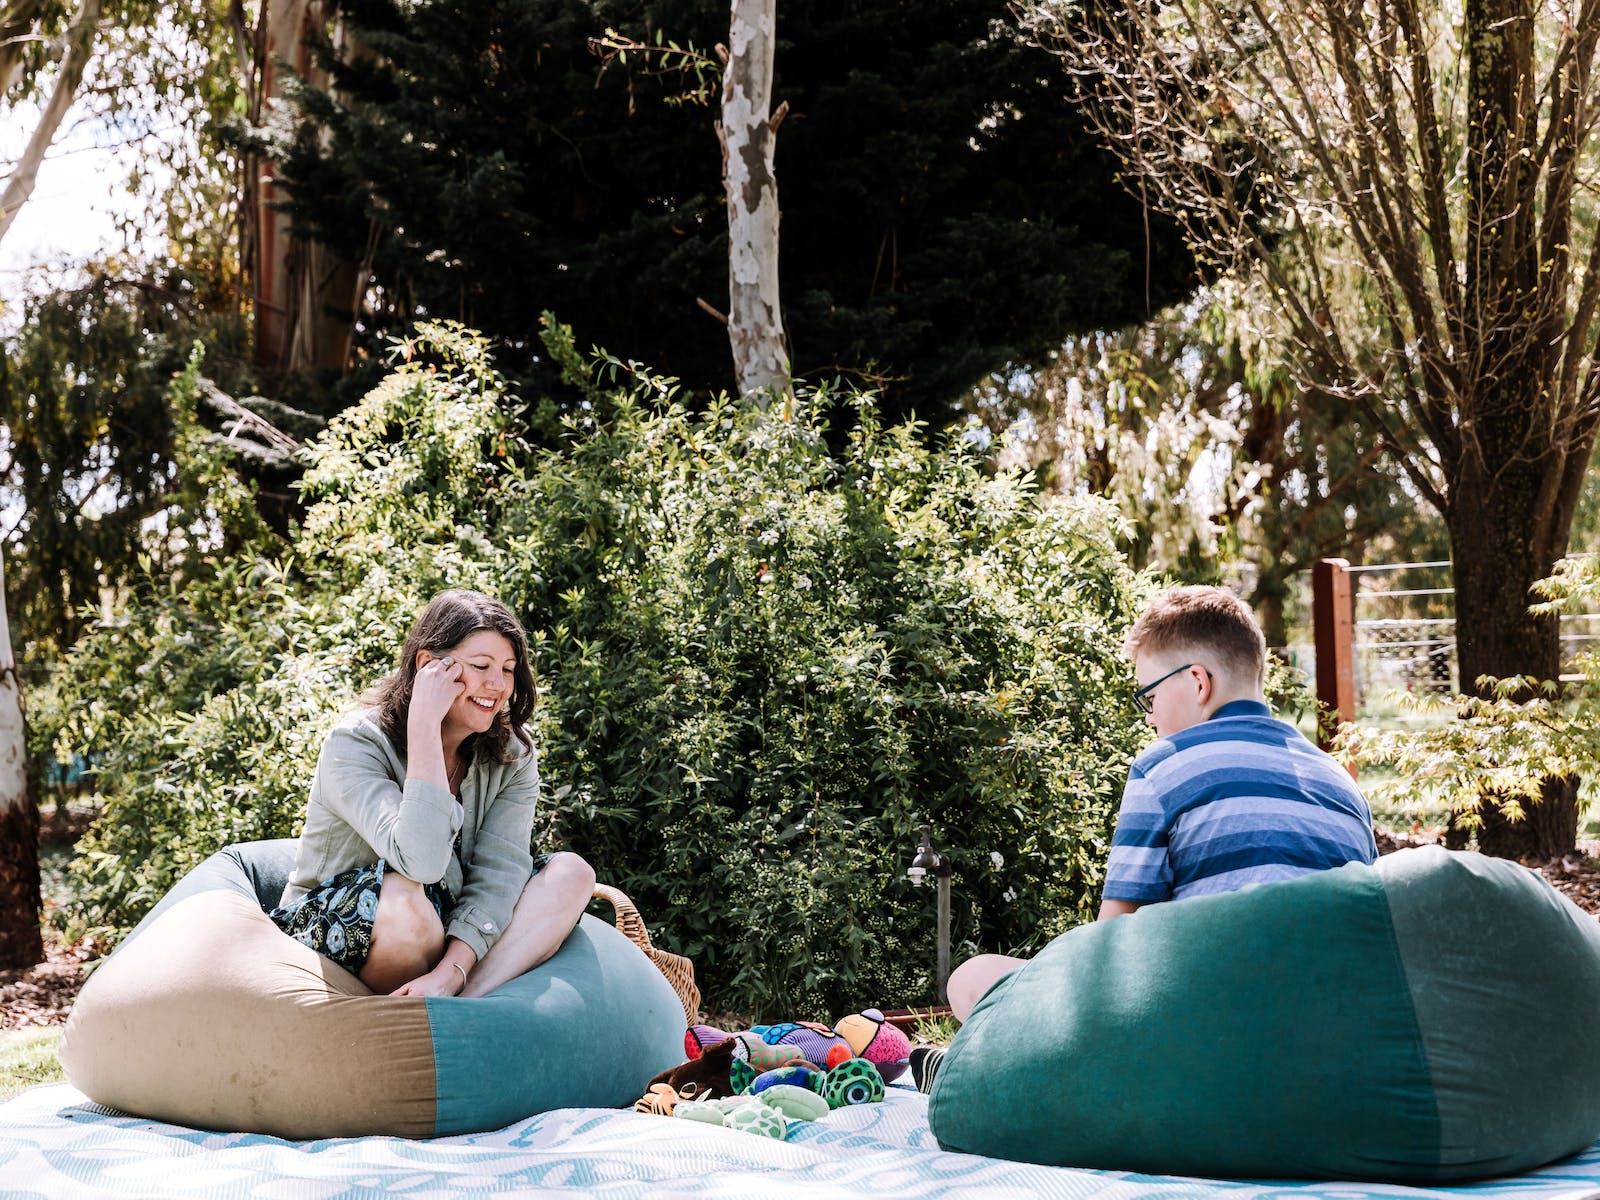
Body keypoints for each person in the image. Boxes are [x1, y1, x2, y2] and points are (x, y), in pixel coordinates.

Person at [915, 585, 1377, 1087]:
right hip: (1333, 1048)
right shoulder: (1344, 786)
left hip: (1204, 1048)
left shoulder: (1163, 767)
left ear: (1197, 681)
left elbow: (1107, 952)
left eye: (1150, 697)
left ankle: (972, 1074)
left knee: (973, 978)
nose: (1150, 717)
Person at [271, 589, 596, 997]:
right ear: (428, 665)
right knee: (407, 903)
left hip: (446, 932)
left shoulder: (511, 755)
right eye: (481, 666)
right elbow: (419, 862)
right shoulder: (355, 743)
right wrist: (424, 724)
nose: (497, 685)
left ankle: (461, 1002)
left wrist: (451, 971)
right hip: (344, 926)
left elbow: (500, 871)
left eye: (508, 670)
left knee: (571, 875)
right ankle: (437, 1008)